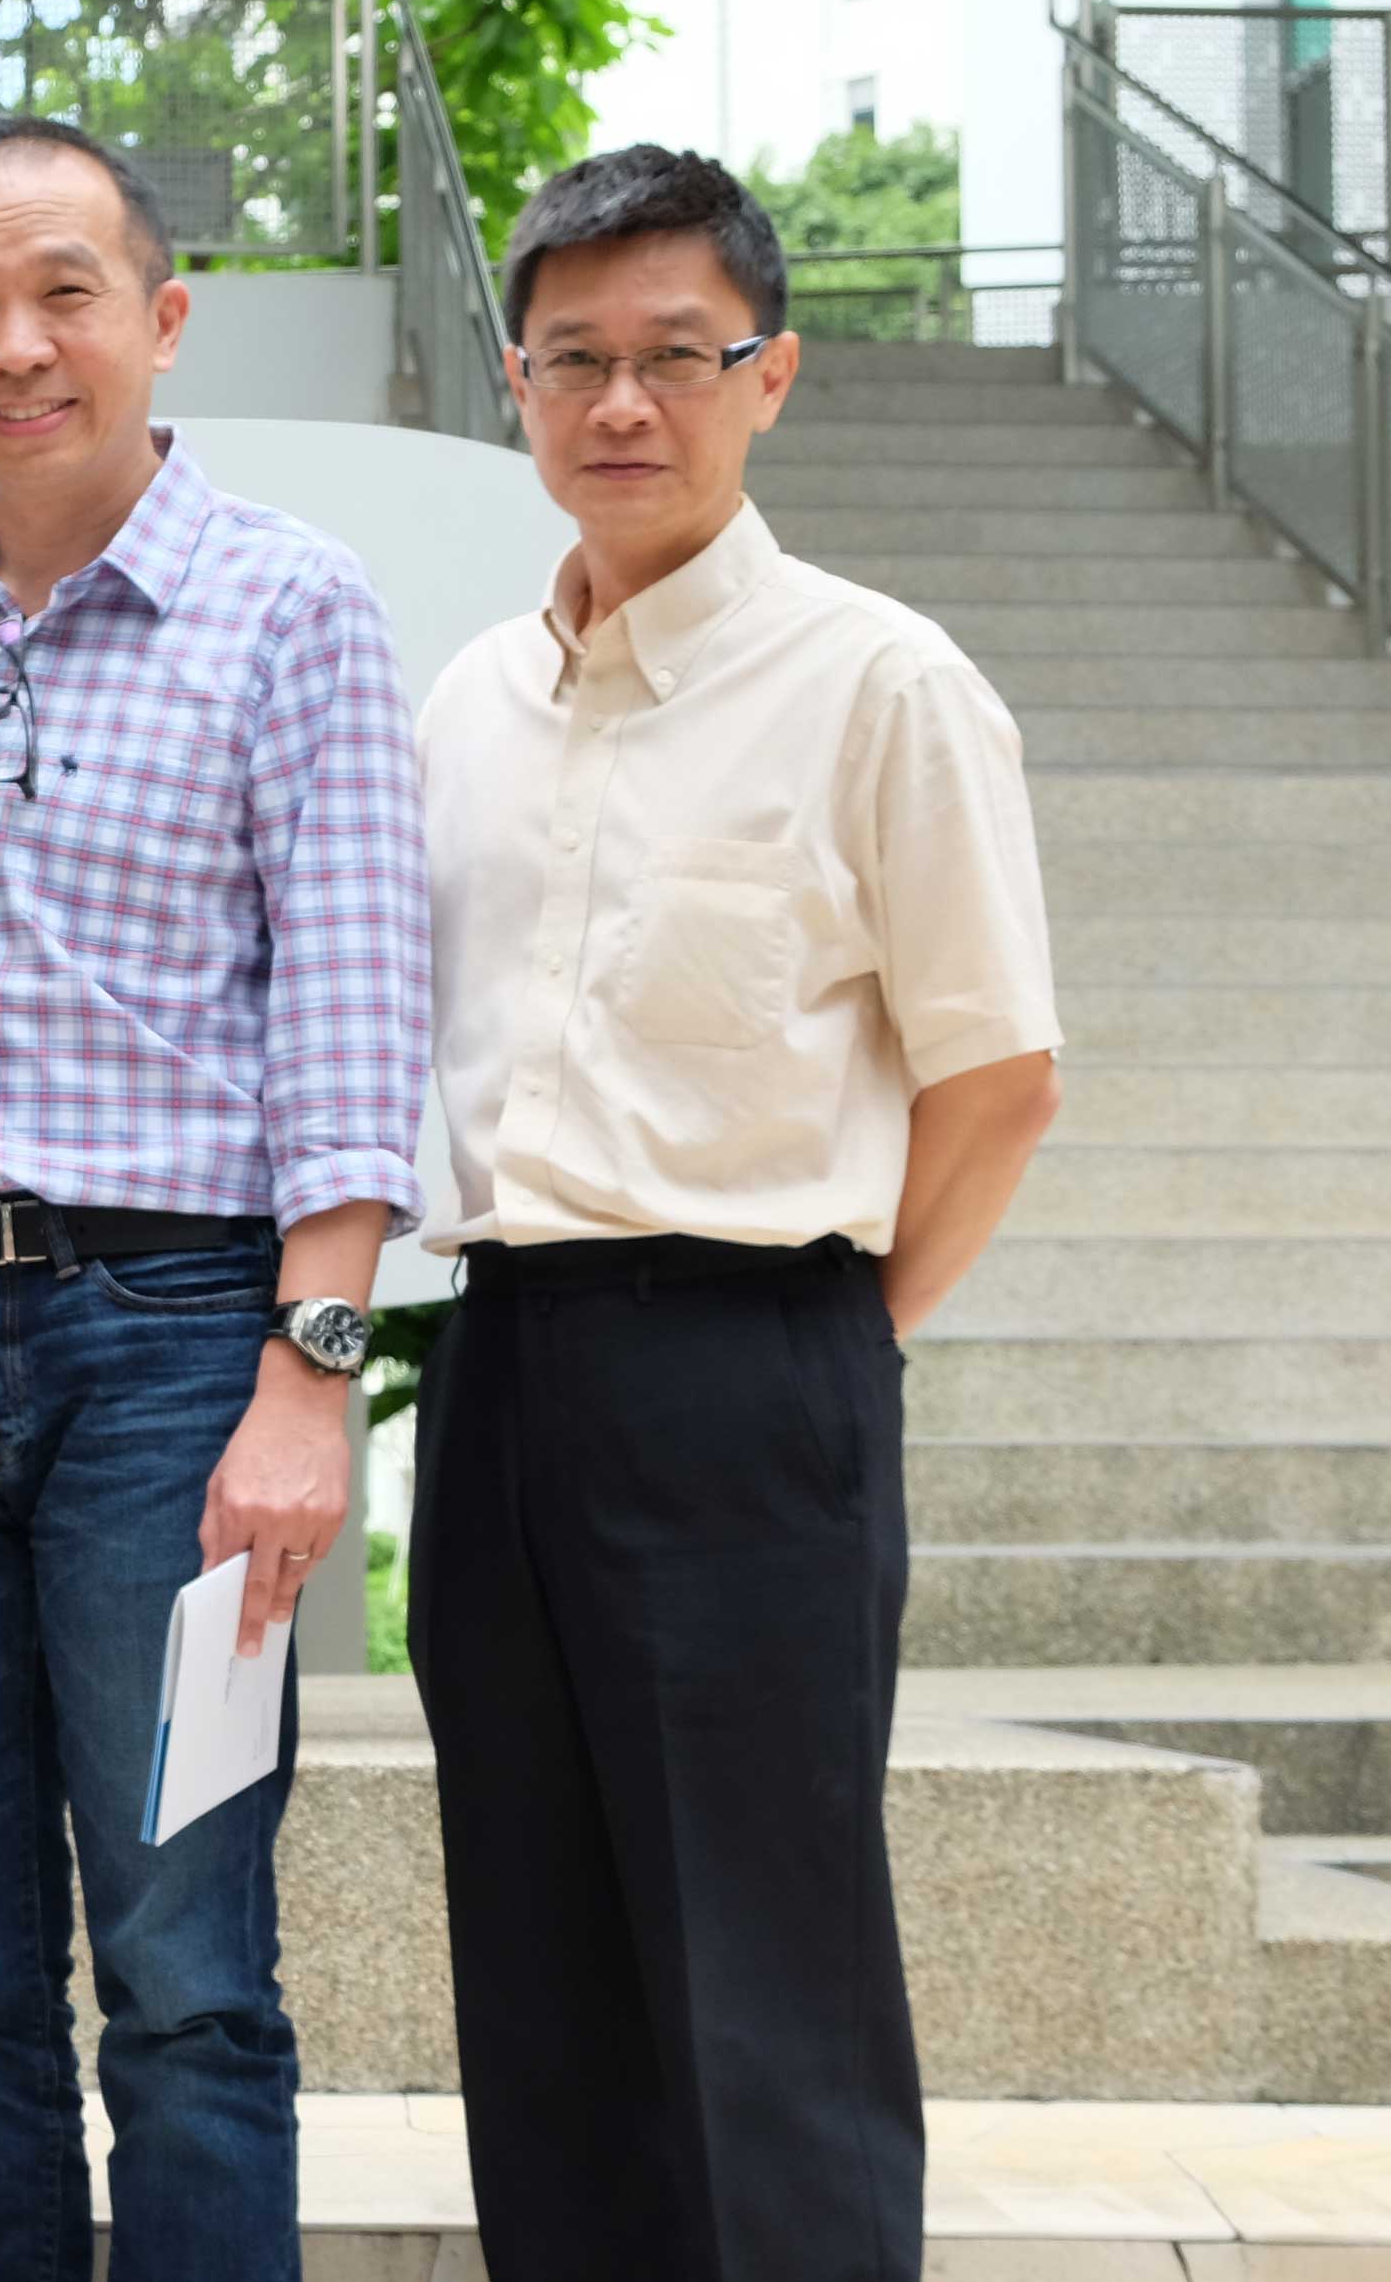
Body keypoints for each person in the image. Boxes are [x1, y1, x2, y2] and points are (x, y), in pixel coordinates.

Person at [409, 143, 1060, 2282]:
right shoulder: (464, 710)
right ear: (515, 382)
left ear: (769, 374)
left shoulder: (883, 684)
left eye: (676, 356)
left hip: (758, 1362)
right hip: (499, 1370)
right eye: (574, 359)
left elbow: (998, 1075)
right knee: (544, 1971)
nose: (622, 405)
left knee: (766, 1999)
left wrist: (845, 1336)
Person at [0, 114, 430, 2282]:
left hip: (176, 1355)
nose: (19, 339)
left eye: (64, 287)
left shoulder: (294, 607)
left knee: (185, 1972)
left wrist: (309, 1381)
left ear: (162, 321)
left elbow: (358, 1030)